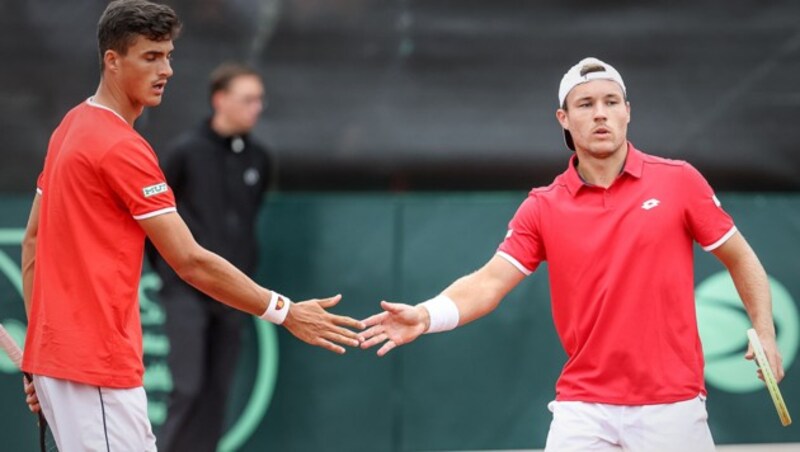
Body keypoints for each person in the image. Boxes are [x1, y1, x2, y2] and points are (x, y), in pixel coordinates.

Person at [359, 57, 784, 451]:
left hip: (672, 405)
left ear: (627, 111)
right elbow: (489, 282)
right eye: (585, 104)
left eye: (610, 101)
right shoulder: (543, 205)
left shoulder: (679, 182)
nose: (600, 113)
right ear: (564, 119)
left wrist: (765, 331)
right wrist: (427, 315)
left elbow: (740, 258)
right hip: (584, 408)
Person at [19, 1, 362, 450]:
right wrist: (285, 311)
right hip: (94, 369)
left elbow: (32, 241)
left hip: (69, 365)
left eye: (168, 55)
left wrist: (41, 354)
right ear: (112, 61)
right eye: (151, 56)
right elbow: (189, 260)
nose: (167, 70)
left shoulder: (69, 127)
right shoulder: (122, 147)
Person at [150, 62, 274, 452]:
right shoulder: (185, 152)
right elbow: (156, 218)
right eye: (247, 99)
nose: (257, 108)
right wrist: (172, 275)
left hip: (233, 294)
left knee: (217, 393)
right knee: (187, 387)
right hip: (185, 290)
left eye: (259, 100)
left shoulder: (259, 159)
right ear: (220, 100)